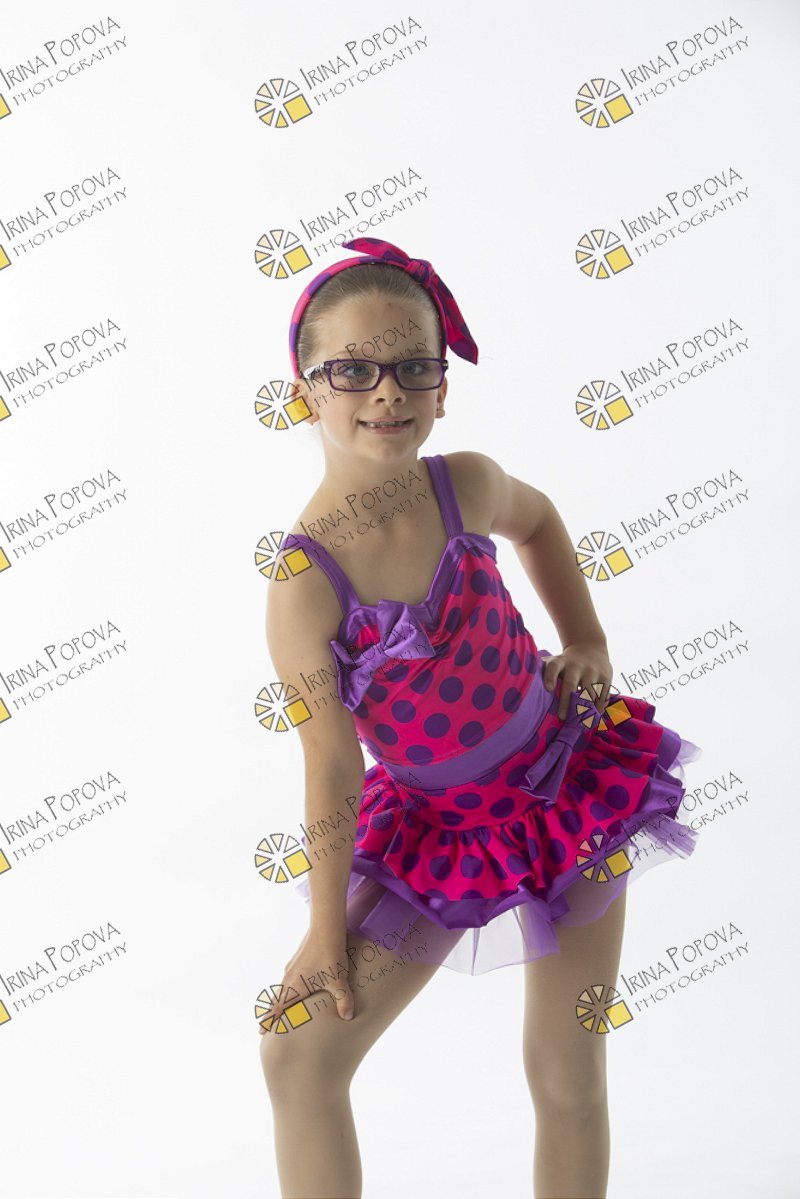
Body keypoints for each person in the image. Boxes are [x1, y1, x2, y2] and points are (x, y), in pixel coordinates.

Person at [259, 236, 703, 1199]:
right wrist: (326, 932)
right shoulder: (306, 582)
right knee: (298, 1054)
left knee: (567, 1071)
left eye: (413, 366)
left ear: (442, 384)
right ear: (304, 393)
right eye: (353, 371)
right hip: (442, 834)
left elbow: (537, 520)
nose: (387, 392)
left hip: (569, 789)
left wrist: (586, 640)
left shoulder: (464, 484)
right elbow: (331, 765)